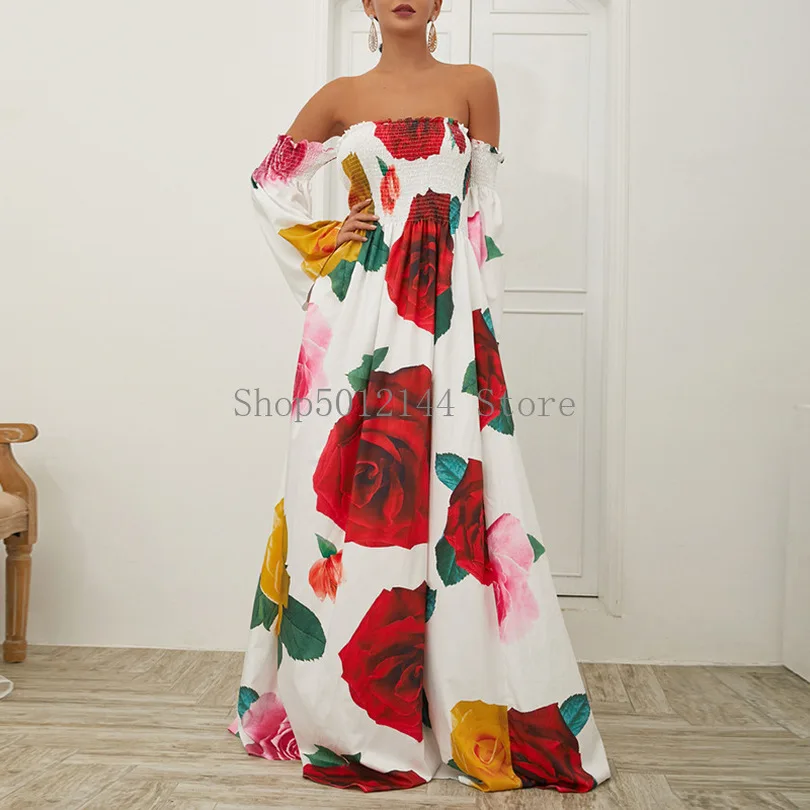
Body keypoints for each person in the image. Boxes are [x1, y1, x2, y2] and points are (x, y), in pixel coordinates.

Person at [228, 0, 611, 794]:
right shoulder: (340, 96)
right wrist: (327, 241)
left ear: (438, 3)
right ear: (368, 4)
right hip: (360, 312)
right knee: (342, 490)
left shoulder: (474, 84)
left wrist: (479, 323)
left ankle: (455, 699)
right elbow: (270, 181)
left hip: (448, 314)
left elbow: (485, 211)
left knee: (456, 484)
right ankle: (347, 703)